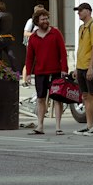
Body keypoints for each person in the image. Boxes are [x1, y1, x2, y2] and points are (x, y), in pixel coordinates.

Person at [24, 7, 69, 136]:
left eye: (46, 18)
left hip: (55, 72)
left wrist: (64, 69)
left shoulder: (56, 33)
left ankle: (58, 127)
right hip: (40, 72)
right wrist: (27, 74)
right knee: (40, 99)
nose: (45, 21)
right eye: (43, 19)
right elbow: (29, 58)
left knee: (57, 99)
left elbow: (63, 53)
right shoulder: (33, 38)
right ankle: (40, 126)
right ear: (37, 21)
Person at [74, 2, 93, 134]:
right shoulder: (82, 28)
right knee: (85, 95)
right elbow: (80, 48)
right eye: (78, 11)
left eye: (81, 10)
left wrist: (91, 67)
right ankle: (89, 123)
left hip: (90, 66)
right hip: (81, 66)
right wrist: (76, 67)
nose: (78, 13)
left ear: (88, 11)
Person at [0, 0, 18, 67]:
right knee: (11, 55)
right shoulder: (9, 15)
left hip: (0, 38)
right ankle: (15, 70)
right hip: (8, 38)